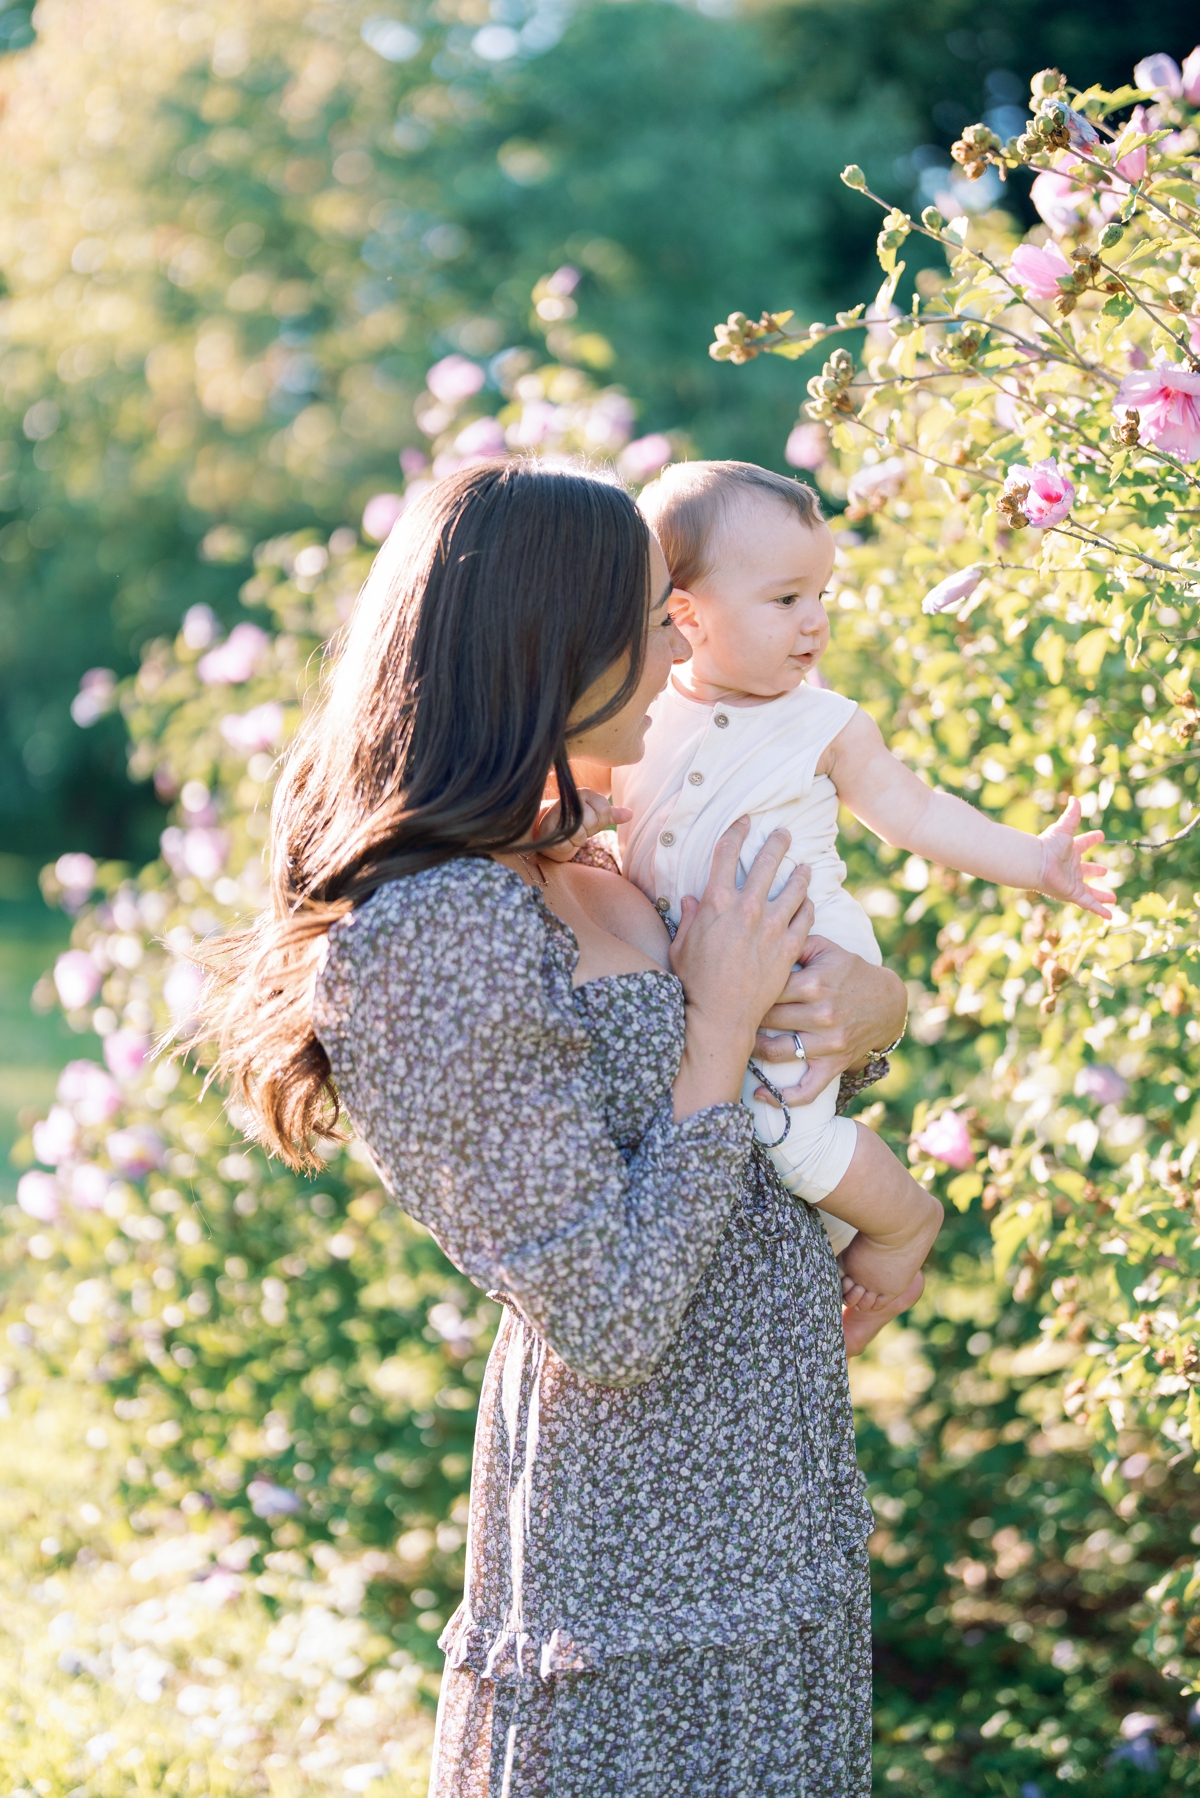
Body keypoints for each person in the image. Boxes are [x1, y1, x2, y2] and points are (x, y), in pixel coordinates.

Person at [201, 460, 908, 1797]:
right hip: (635, 1577)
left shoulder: (594, 849)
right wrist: (717, 1025)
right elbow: (612, 1314)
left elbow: (782, 1071)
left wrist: (873, 1004)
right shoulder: (437, 931)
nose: (681, 641)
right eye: (651, 618)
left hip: (779, 1497)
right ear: (549, 645)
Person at [615, 459, 1115, 1314]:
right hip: (705, 963)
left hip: (809, 960)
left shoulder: (824, 721)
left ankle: (903, 1226)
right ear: (687, 616)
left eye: (823, 596)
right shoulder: (639, 710)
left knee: (788, 1138)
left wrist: (1036, 863)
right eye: (786, 600)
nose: (815, 623)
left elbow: (914, 813)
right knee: (720, 1112)